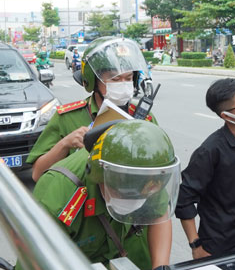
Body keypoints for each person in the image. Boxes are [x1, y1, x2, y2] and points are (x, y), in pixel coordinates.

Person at [15, 120, 185, 270]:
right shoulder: (59, 192)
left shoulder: (147, 176)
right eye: (125, 193)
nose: (136, 200)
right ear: (99, 176)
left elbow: (160, 215)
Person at [27, 38, 155, 182]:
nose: (123, 85)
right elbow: (37, 174)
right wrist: (65, 144)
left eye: (128, 78)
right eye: (115, 79)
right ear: (92, 81)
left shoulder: (144, 117)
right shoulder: (67, 117)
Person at [176, 78, 235, 259]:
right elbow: (183, 199)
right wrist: (196, 245)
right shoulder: (209, 151)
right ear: (226, 115)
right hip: (218, 244)